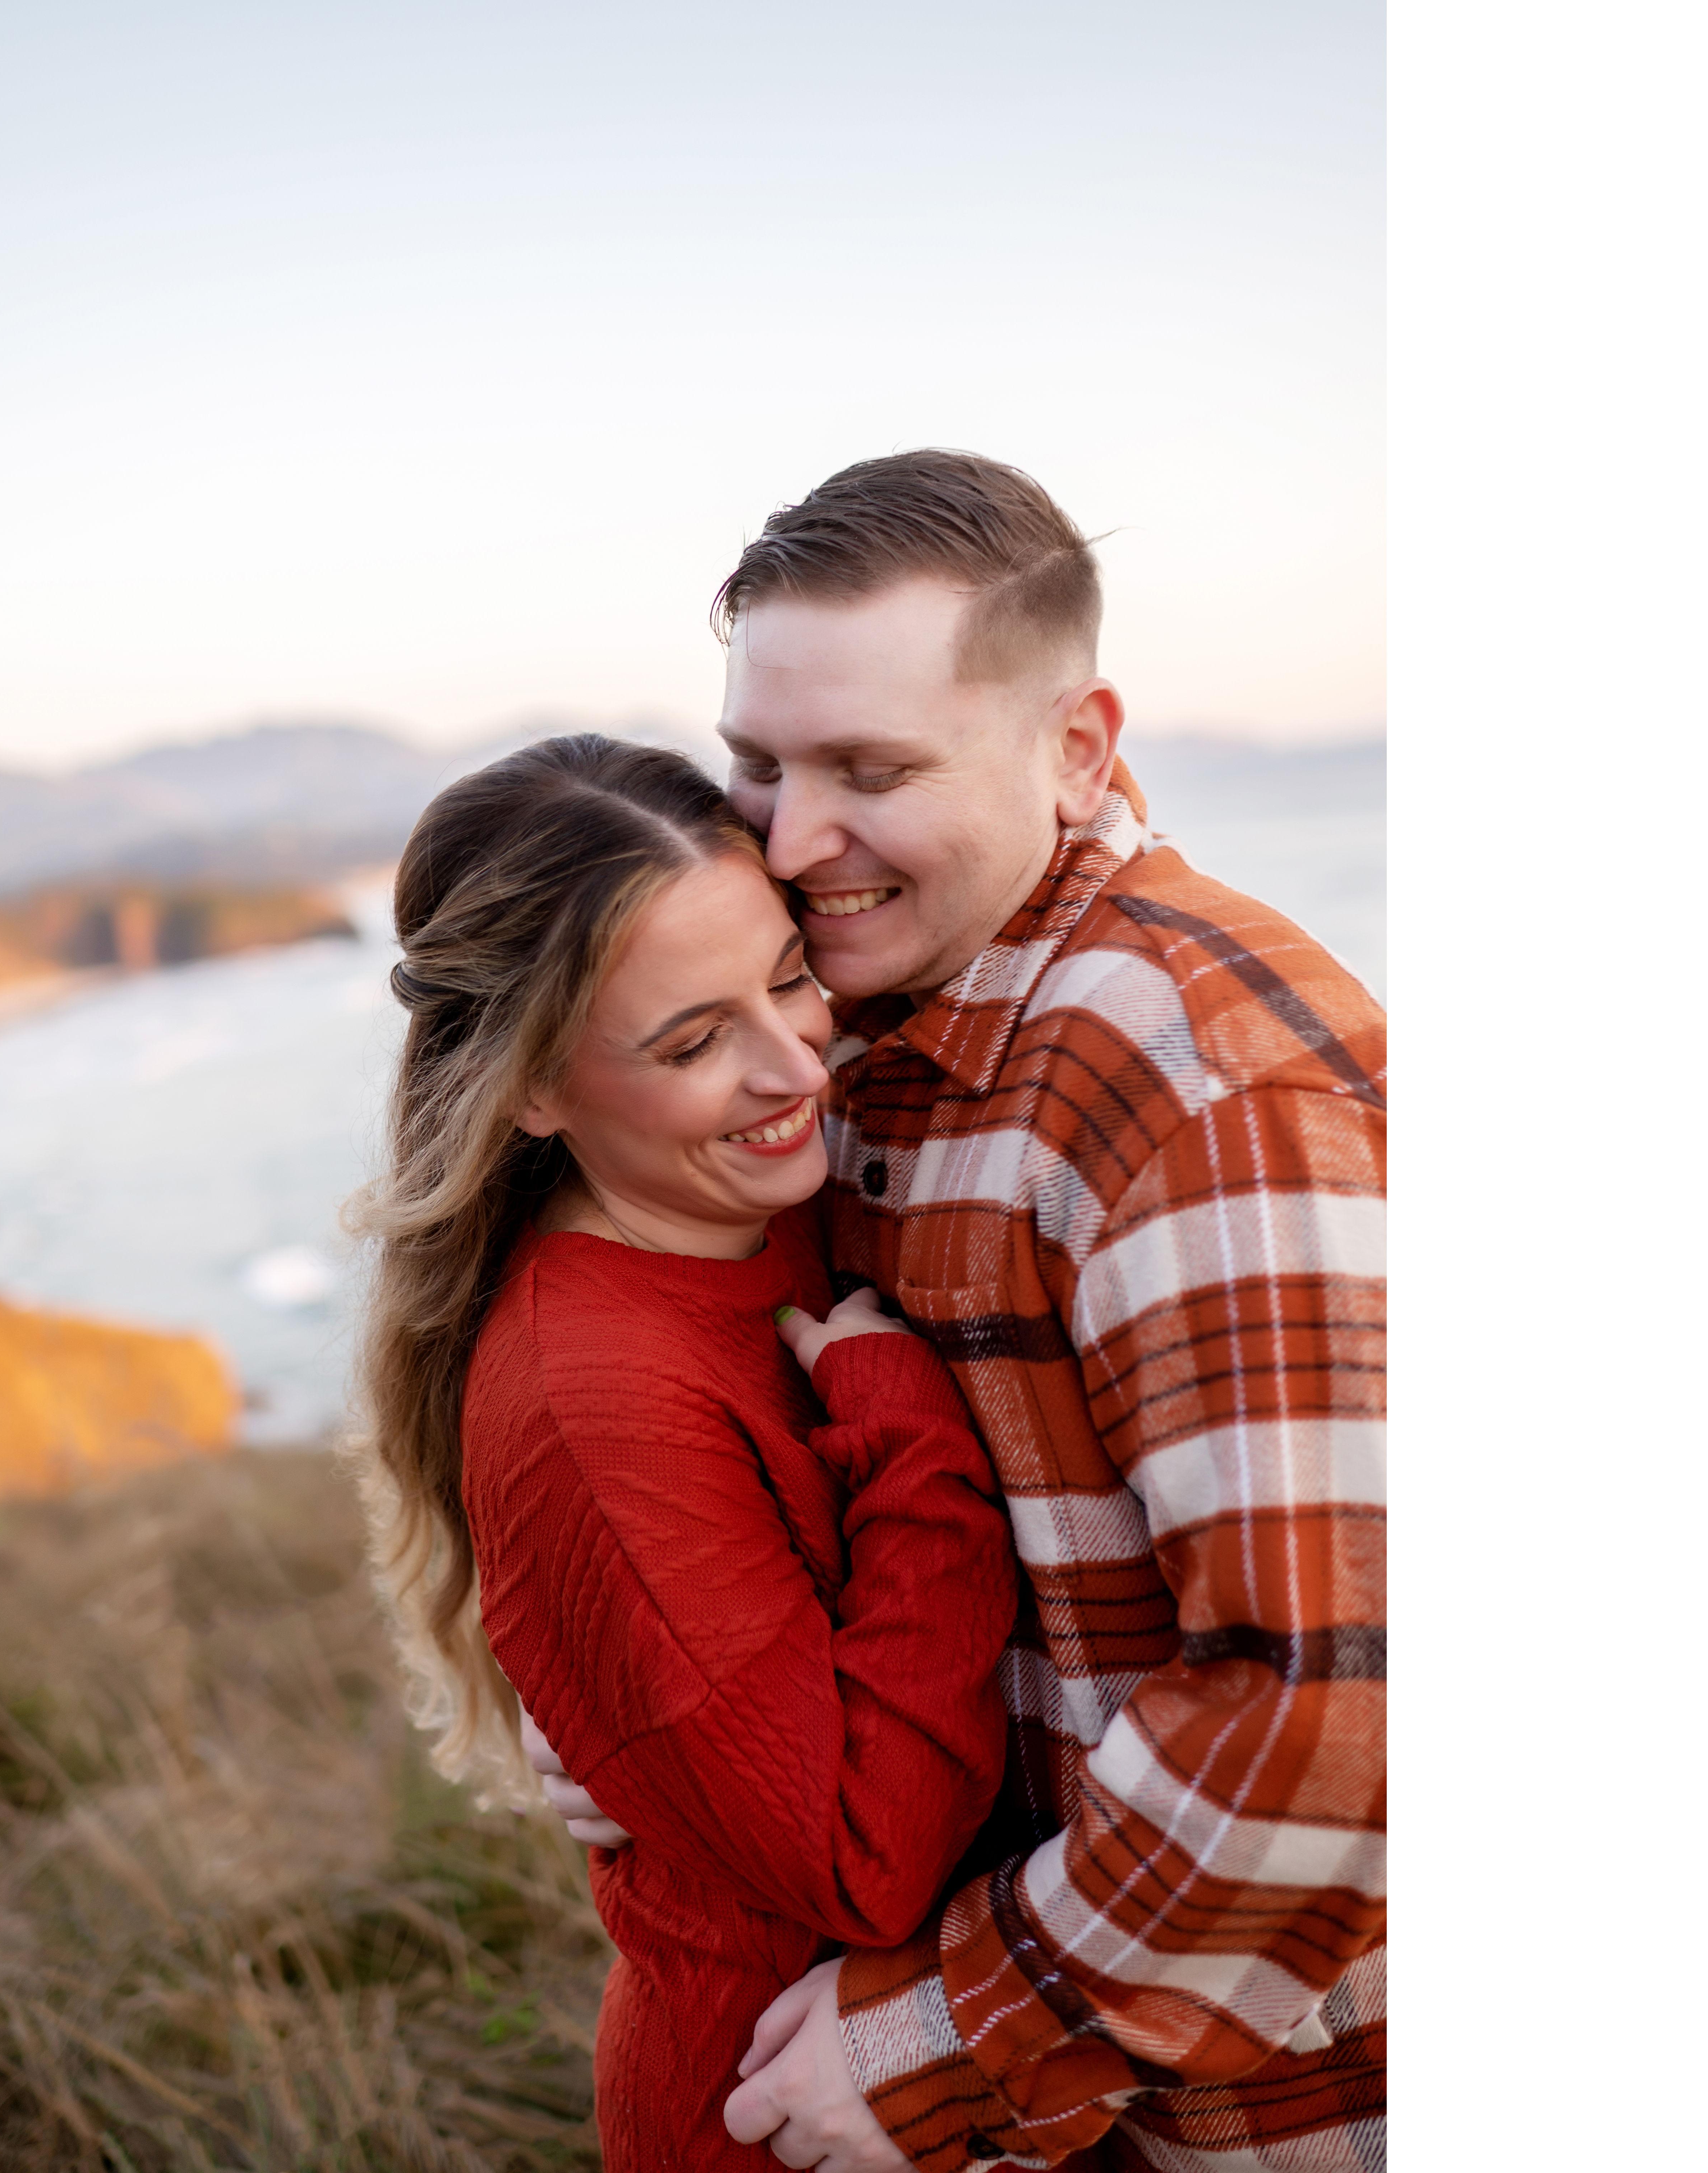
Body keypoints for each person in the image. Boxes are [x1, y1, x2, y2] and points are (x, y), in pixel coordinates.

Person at [530, 453, 1387, 2173]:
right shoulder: (858, 1032)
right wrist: (695, 1709)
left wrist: (952, 2045)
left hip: (1261, 2116)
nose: (791, 839)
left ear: (1078, 751)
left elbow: (1341, 1706)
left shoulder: (1198, 1091)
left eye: (874, 772)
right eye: (761, 764)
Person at [347, 734, 1025, 2173]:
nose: (795, 1065)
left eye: (790, 976)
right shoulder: (595, 1408)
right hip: (779, 2115)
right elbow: (862, 1856)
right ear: (533, 1089)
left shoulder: (764, 1199)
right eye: (693, 1042)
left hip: (938, 2083)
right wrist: (911, 1438)